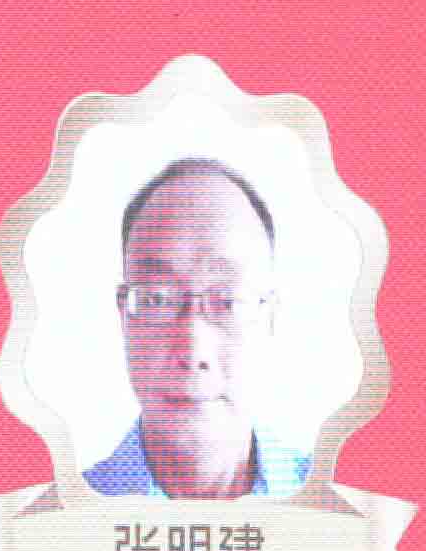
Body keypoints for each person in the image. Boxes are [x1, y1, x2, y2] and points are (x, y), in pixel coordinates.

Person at [81, 156, 317, 499]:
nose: (193, 350)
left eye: (228, 301)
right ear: (124, 317)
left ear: (269, 319)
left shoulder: (346, 510)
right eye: (157, 299)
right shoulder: (60, 518)